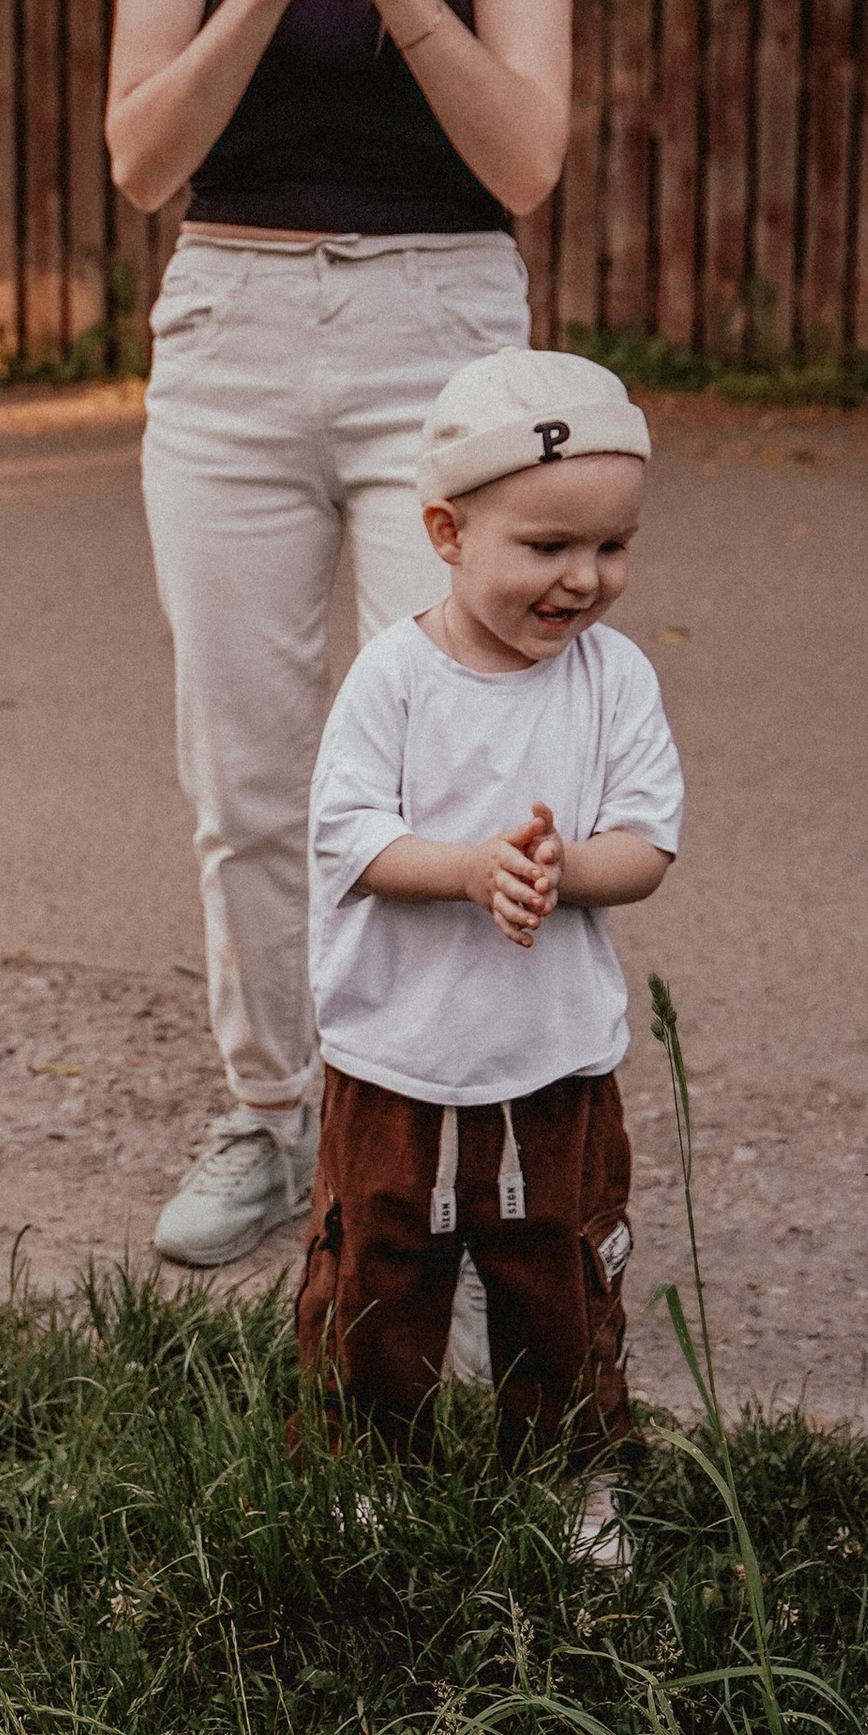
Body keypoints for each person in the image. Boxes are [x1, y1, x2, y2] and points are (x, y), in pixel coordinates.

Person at [105, 0, 574, 1272]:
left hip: (444, 342)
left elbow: (525, 162)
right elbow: (143, 157)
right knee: (244, 774)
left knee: (450, 761)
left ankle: (439, 1138)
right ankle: (268, 1113)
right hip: (229, 333)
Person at [292, 350, 680, 1506]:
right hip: (396, 1056)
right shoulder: (395, 678)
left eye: (610, 548)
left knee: (554, 1271)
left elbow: (646, 845)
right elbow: (349, 837)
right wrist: (468, 869)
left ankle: (568, 1475)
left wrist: (560, 872)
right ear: (448, 534)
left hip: (548, 1056)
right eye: (547, 548)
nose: (583, 580)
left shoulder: (612, 681)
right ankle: (377, 1473)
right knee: (380, 1267)